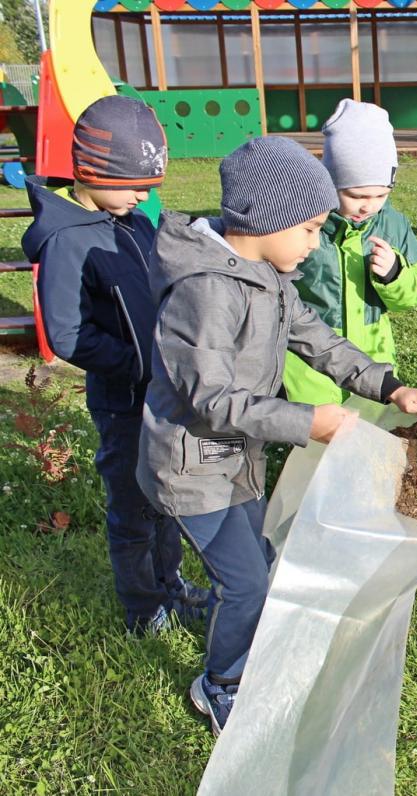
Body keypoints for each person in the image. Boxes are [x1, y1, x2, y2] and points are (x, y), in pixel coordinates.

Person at [136, 136, 417, 736]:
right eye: (309, 229)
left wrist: (389, 387)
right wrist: (307, 423)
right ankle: (220, 684)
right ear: (267, 220)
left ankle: (241, 638)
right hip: (191, 467)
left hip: (234, 459)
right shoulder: (204, 291)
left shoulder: (267, 273)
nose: (313, 241)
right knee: (245, 582)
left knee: (258, 561)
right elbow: (211, 399)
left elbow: (316, 339)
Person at [21, 95, 206, 636]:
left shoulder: (129, 219)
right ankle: (143, 607)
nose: (140, 196)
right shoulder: (66, 240)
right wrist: (138, 365)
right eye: (130, 185)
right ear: (89, 172)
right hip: (124, 402)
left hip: (161, 394)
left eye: (146, 187)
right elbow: (68, 335)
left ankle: (169, 583)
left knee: (163, 498)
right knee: (132, 510)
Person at [281, 99, 417, 406]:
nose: (368, 205)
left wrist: (394, 275)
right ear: (330, 182)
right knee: (319, 442)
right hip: (309, 362)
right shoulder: (308, 223)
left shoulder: (392, 223)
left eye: (381, 194)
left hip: (373, 355)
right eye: (356, 195)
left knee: (370, 436)